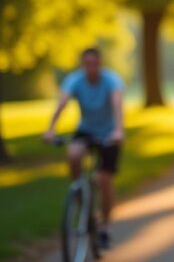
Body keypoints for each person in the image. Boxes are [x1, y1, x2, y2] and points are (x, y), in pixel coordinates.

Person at [44, 47, 124, 249]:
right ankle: (84, 204)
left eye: (94, 63)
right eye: (87, 64)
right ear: (83, 65)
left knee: (104, 180)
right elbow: (62, 103)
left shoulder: (111, 80)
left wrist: (118, 130)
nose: (91, 68)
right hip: (86, 130)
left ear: (100, 64)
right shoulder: (75, 80)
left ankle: (105, 228)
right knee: (73, 154)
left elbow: (117, 105)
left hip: (108, 133)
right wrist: (51, 129)